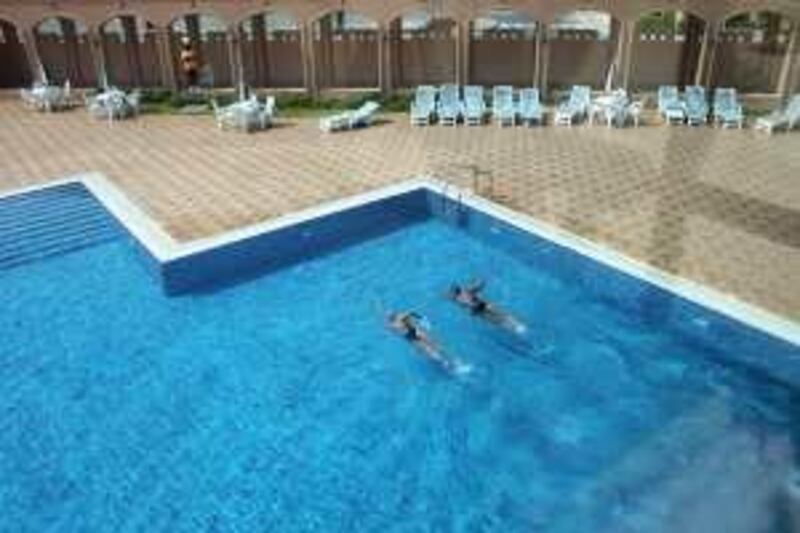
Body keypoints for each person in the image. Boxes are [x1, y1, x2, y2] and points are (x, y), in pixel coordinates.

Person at [448, 279, 526, 334]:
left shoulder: (461, 296)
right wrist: (480, 284)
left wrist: (479, 285)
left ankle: (515, 326)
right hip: (480, 308)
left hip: (479, 308)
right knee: (498, 318)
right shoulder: (463, 293)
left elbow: (477, 288)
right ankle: (515, 326)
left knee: (498, 318)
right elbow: (478, 287)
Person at [387, 311, 452, 370]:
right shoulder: (398, 320)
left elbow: (411, 314)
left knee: (429, 348)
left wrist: (420, 318)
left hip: (412, 335)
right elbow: (412, 313)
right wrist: (421, 318)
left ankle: (445, 360)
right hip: (414, 334)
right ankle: (445, 360)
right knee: (431, 347)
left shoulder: (394, 324)